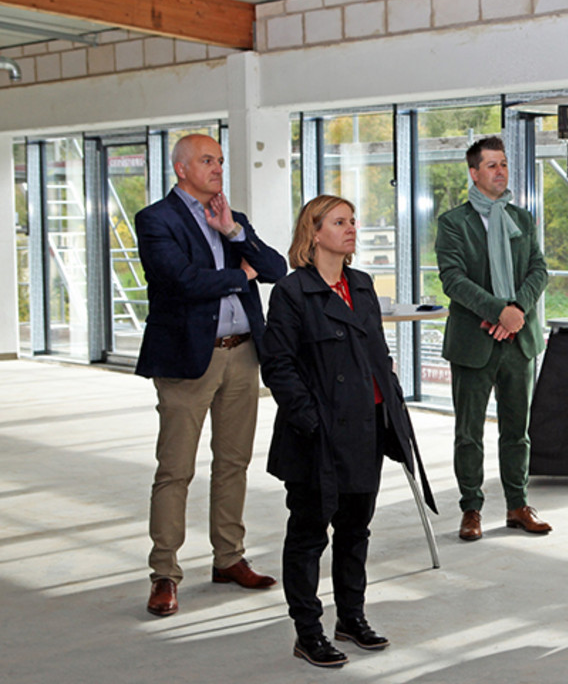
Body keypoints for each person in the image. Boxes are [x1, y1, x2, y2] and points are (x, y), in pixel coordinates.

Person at [260, 195, 435, 668]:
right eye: (340, 221)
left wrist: (393, 402)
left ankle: (350, 617)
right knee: (309, 534)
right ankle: (308, 631)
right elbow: (277, 366)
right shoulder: (292, 292)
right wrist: (311, 421)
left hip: (367, 428)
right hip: (317, 436)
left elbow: (378, 356)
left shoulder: (361, 284)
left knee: (356, 530)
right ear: (314, 233)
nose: (352, 228)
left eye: (353, 220)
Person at [135, 133, 286, 617]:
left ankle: (229, 558)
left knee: (233, 462)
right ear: (182, 169)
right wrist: (241, 275)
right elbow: (179, 282)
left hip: (242, 355)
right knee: (176, 469)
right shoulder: (156, 220)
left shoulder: (230, 217)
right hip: (186, 360)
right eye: (207, 160)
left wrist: (235, 235)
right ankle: (165, 572)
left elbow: (278, 269)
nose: (218, 168)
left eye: (220, 160)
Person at [436, 136, 550, 541]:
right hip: (474, 342)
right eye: (491, 165)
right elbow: (453, 279)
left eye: (503, 164)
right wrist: (496, 310)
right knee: (469, 432)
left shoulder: (523, 217)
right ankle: (471, 509)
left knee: (517, 430)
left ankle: (518, 505)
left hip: (518, 341)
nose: (500, 171)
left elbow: (539, 269)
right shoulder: (453, 223)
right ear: (473, 173)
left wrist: (515, 310)